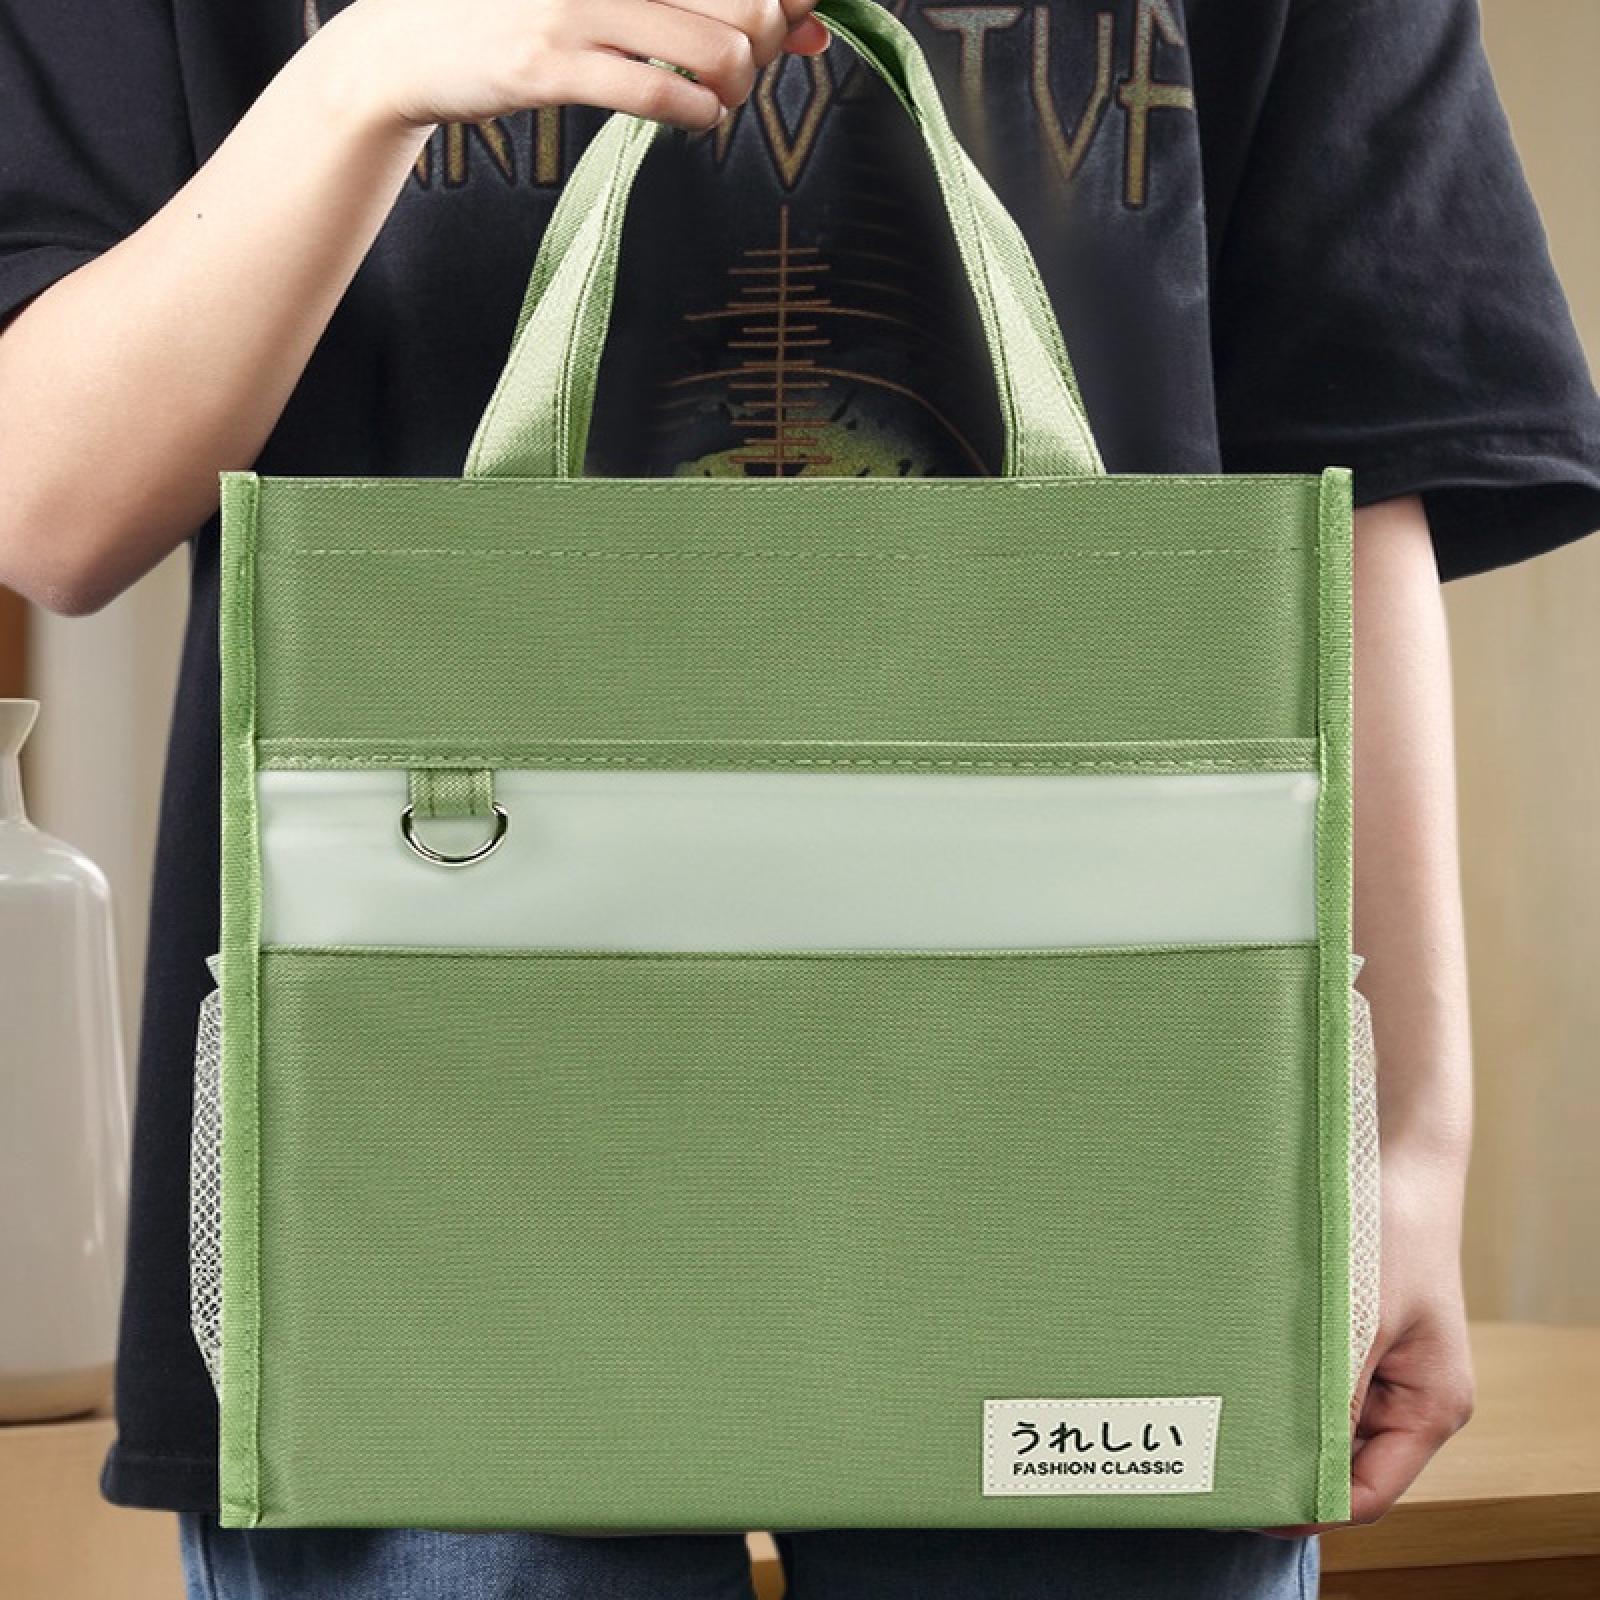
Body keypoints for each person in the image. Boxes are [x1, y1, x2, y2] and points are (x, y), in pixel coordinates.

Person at [2, 1, 1597, 1595]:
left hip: (1109, 1161)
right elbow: (47, 504)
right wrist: (370, 72)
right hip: (430, 1180)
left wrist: (1406, 1149)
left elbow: (1358, 471)